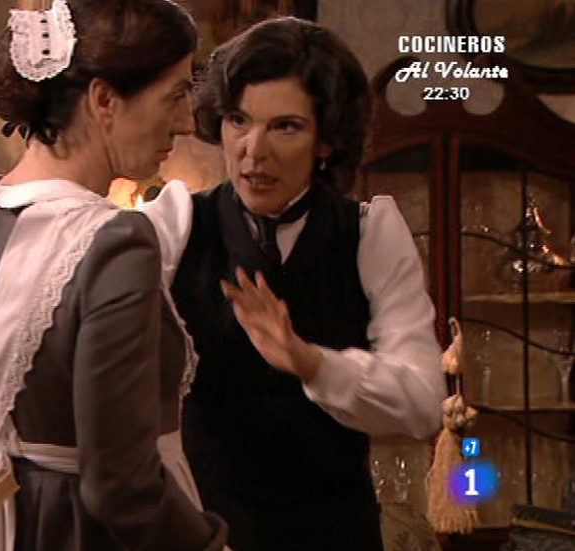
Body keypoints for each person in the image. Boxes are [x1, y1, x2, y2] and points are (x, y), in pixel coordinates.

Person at [140, 16, 446, 551]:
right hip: (207, 535)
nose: (253, 150)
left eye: (285, 127)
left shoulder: (370, 233)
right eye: (238, 120)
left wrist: (310, 362)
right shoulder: (174, 224)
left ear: (326, 140)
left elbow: (423, 404)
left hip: (335, 536)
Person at [0, 1, 228, 550]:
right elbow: (122, 485)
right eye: (174, 95)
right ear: (104, 100)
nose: (187, 121)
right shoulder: (115, 241)